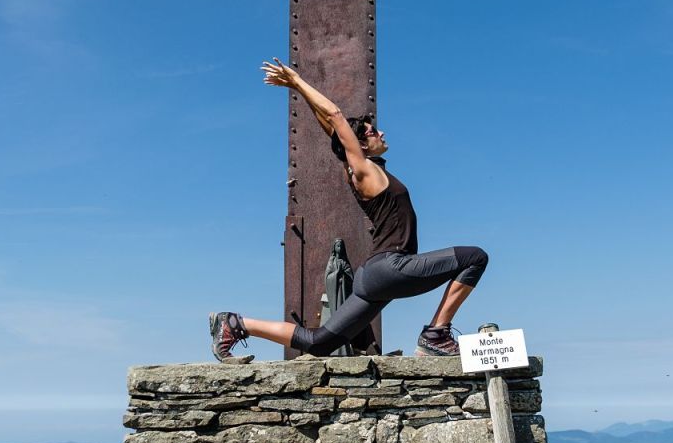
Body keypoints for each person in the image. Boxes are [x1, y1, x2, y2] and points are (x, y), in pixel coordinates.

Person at [209, 59, 488, 360]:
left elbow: (331, 126)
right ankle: (436, 333)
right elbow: (335, 116)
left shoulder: (363, 169)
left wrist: (302, 94)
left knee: (320, 342)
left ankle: (235, 323)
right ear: (361, 146)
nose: (381, 134)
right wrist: (296, 82)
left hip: (374, 276)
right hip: (392, 266)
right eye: (373, 132)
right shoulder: (364, 170)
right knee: (474, 257)